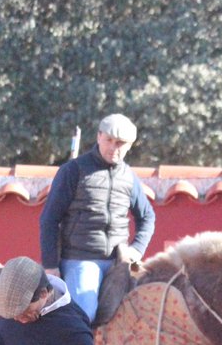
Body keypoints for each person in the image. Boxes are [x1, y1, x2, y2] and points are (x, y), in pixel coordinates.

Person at [39, 113, 156, 322]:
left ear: (129, 145)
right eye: (109, 140)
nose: (113, 147)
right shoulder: (74, 170)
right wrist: (50, 265)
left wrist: (137, 250)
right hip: (80, 259)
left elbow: (147, 217)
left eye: (120, 143)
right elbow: (49, 219)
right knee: (84, 314)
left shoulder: (128, 177)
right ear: (99, 136)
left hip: (118, 262)